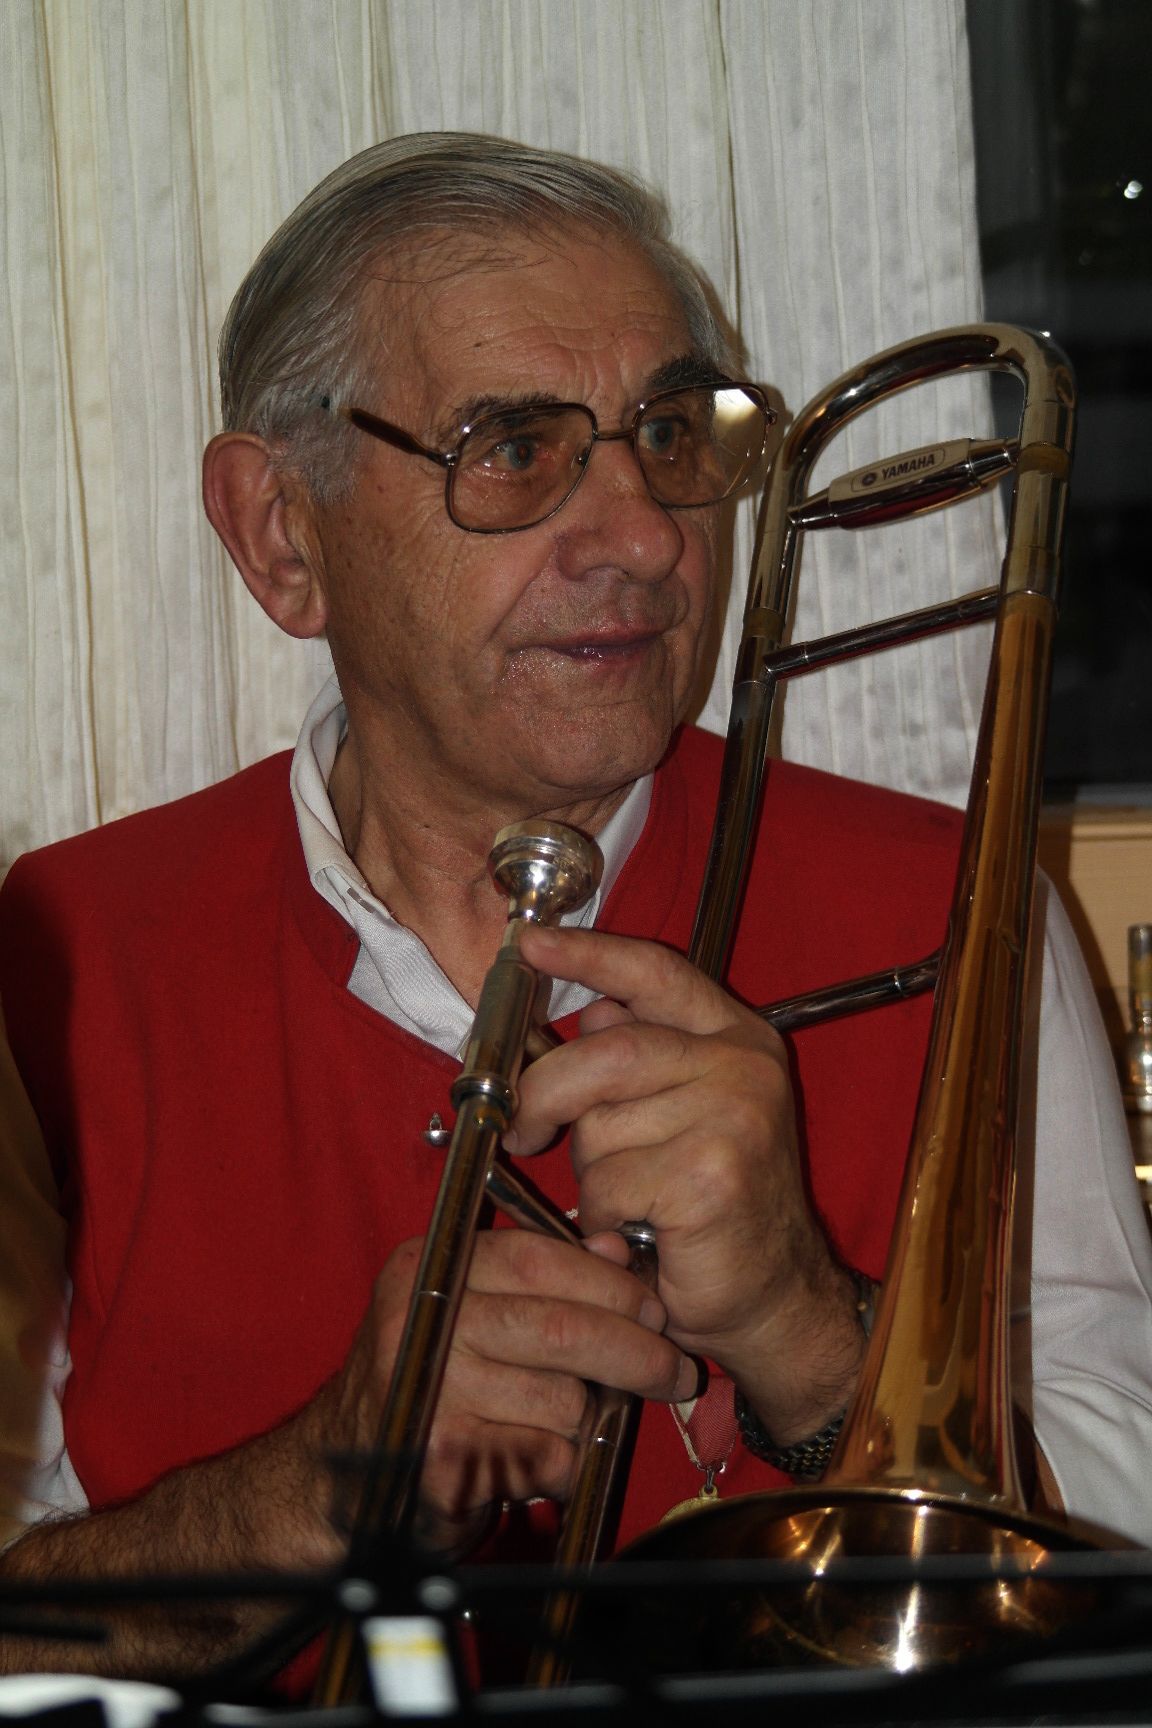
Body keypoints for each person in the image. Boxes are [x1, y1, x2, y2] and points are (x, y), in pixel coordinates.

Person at [0, 132, 1149, 1682]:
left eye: (671, 434)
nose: (649, 536)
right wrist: (320, 1487)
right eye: (515, 447)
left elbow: (1131, 1543)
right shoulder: (58, 956)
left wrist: (814, 1337)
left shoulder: (952, 908)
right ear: (282, 532)